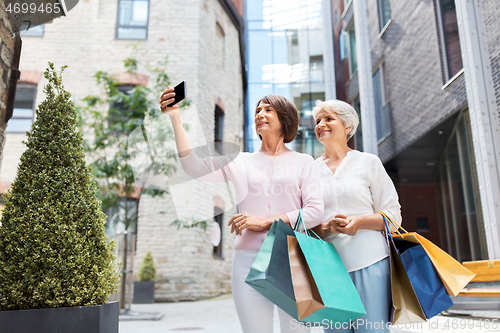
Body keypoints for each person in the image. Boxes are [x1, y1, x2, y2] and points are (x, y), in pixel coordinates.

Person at [160, 88, 324, 333]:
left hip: (292, 258)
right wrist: (175, 118)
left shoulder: (305, 162)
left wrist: (266, 222)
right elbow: (193, 166)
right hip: (248, 260)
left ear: (285, 119)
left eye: (268, 109)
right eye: (258, 110)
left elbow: (315, 212)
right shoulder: (239, 161)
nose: (260, 114)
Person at [311, 100, 401, 333]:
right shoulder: (309, 171)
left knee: (372, 330)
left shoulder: (368, 162)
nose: (321, 124)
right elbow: (304, 225)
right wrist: (325, 228)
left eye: (328, 118)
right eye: (317, 120)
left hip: (370, 261)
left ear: (348, 126)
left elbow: (393, 217)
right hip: (328, 268)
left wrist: (358, 222)